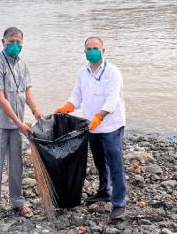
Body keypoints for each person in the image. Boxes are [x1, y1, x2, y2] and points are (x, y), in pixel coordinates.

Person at [53, 36, 127, 220]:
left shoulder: (112, 72)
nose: (92, 51)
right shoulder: (83, 72)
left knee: (115, 164)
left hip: (111, 125)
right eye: (89, 48)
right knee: (100, 161)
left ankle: (119, 203)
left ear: (103, 50)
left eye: (96, 48)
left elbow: (112, 100)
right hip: (92, 127)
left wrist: (100, 116)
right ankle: (104, 191)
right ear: (84, 51)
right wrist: (67, 107)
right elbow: (76, 96)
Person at [0, 27, 43, 229]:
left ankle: (18, 202)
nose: (15, 45)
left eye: (19, 41)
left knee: (17, 165)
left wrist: (35, 111)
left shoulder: (22, 64)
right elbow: (0, 97)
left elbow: (27, 91)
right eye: (11, 41)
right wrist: (19, 123)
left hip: (17, 124)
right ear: (3, 42)